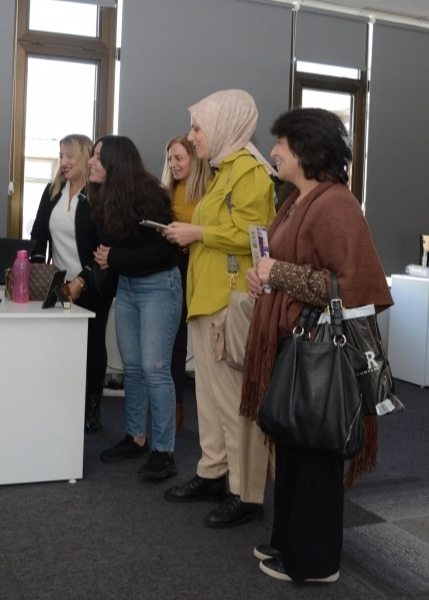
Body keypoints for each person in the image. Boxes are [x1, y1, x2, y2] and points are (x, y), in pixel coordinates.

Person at [241, 108, 393, 583]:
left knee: (314, 456)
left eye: (281, 143)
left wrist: (279, 273)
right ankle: (289, 543)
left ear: (305, 149)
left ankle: (315, 563)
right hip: (296, 341)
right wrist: (263, 278)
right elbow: (288, 264)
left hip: (319, 350)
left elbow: (352, 286)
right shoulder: (298, 200)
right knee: (294, 448)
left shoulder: (335, 205)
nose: (273, 152)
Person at [160, 89, 275, 527]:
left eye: (197, 128)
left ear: (224, 126)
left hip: (230, 301)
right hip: (207, 299)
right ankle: (212, 471)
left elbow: (254, 233)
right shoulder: (223, 170)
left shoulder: (249, 172)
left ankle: (246, 492)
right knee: (208, 399)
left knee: (233, 403)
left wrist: (196, 233)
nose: (192, 137)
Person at [93, 135, 183, 480]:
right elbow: (107, 248)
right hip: (128, 286)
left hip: (158, 285)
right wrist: (114, 258)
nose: (91, 162)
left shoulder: (150, 195)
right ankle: (136, 437)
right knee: (132, 368)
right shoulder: (104, 195)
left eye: (97, 156)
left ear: (115, 162)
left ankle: (164, 451)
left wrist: (115, 258)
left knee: (154, 369)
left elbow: (164, 251)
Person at [30, 134, 115, 433]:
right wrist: (38, 268)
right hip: (59, 282)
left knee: (92, 345)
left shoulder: (98, 195)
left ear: (84, 157)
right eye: (61, 156)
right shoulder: (53, 190)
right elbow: (38, 235)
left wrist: (82, 280)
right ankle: (62, 403)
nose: (63, 162)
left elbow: (104, 246)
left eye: (70, 156)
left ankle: (91, 409)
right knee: (59, 346)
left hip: (93, 281)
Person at [161, 135, 212, 430]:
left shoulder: (210, 190)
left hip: (202, 268)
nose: (173, 164)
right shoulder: (167, 191)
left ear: (195, 158)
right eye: (170, 159)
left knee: (207, 343)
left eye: (179, 158)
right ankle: (176, 409)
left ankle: (210, 415)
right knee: (175, 342)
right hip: (174, 268)